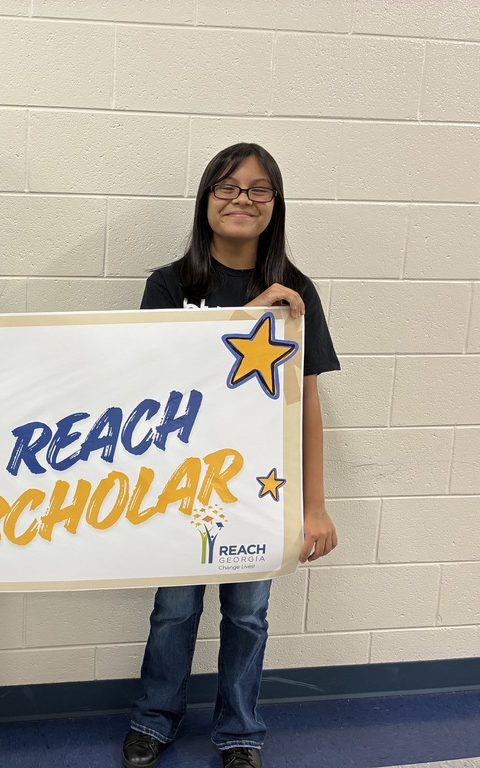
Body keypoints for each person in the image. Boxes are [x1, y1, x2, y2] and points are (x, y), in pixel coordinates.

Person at [120, 143, 340, 768]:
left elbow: (308, 406)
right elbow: (155, 386)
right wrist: (247, 318)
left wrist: (315, 506)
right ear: (205, 199)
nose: (241, 199)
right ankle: (154, 717)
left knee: (248, 614)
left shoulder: (297, 294)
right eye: (227, 186)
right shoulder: (168, 285)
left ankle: (240, 730)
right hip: (179, 482)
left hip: (260, 488)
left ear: (275, 206)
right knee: (175, 608)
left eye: (258, 189)